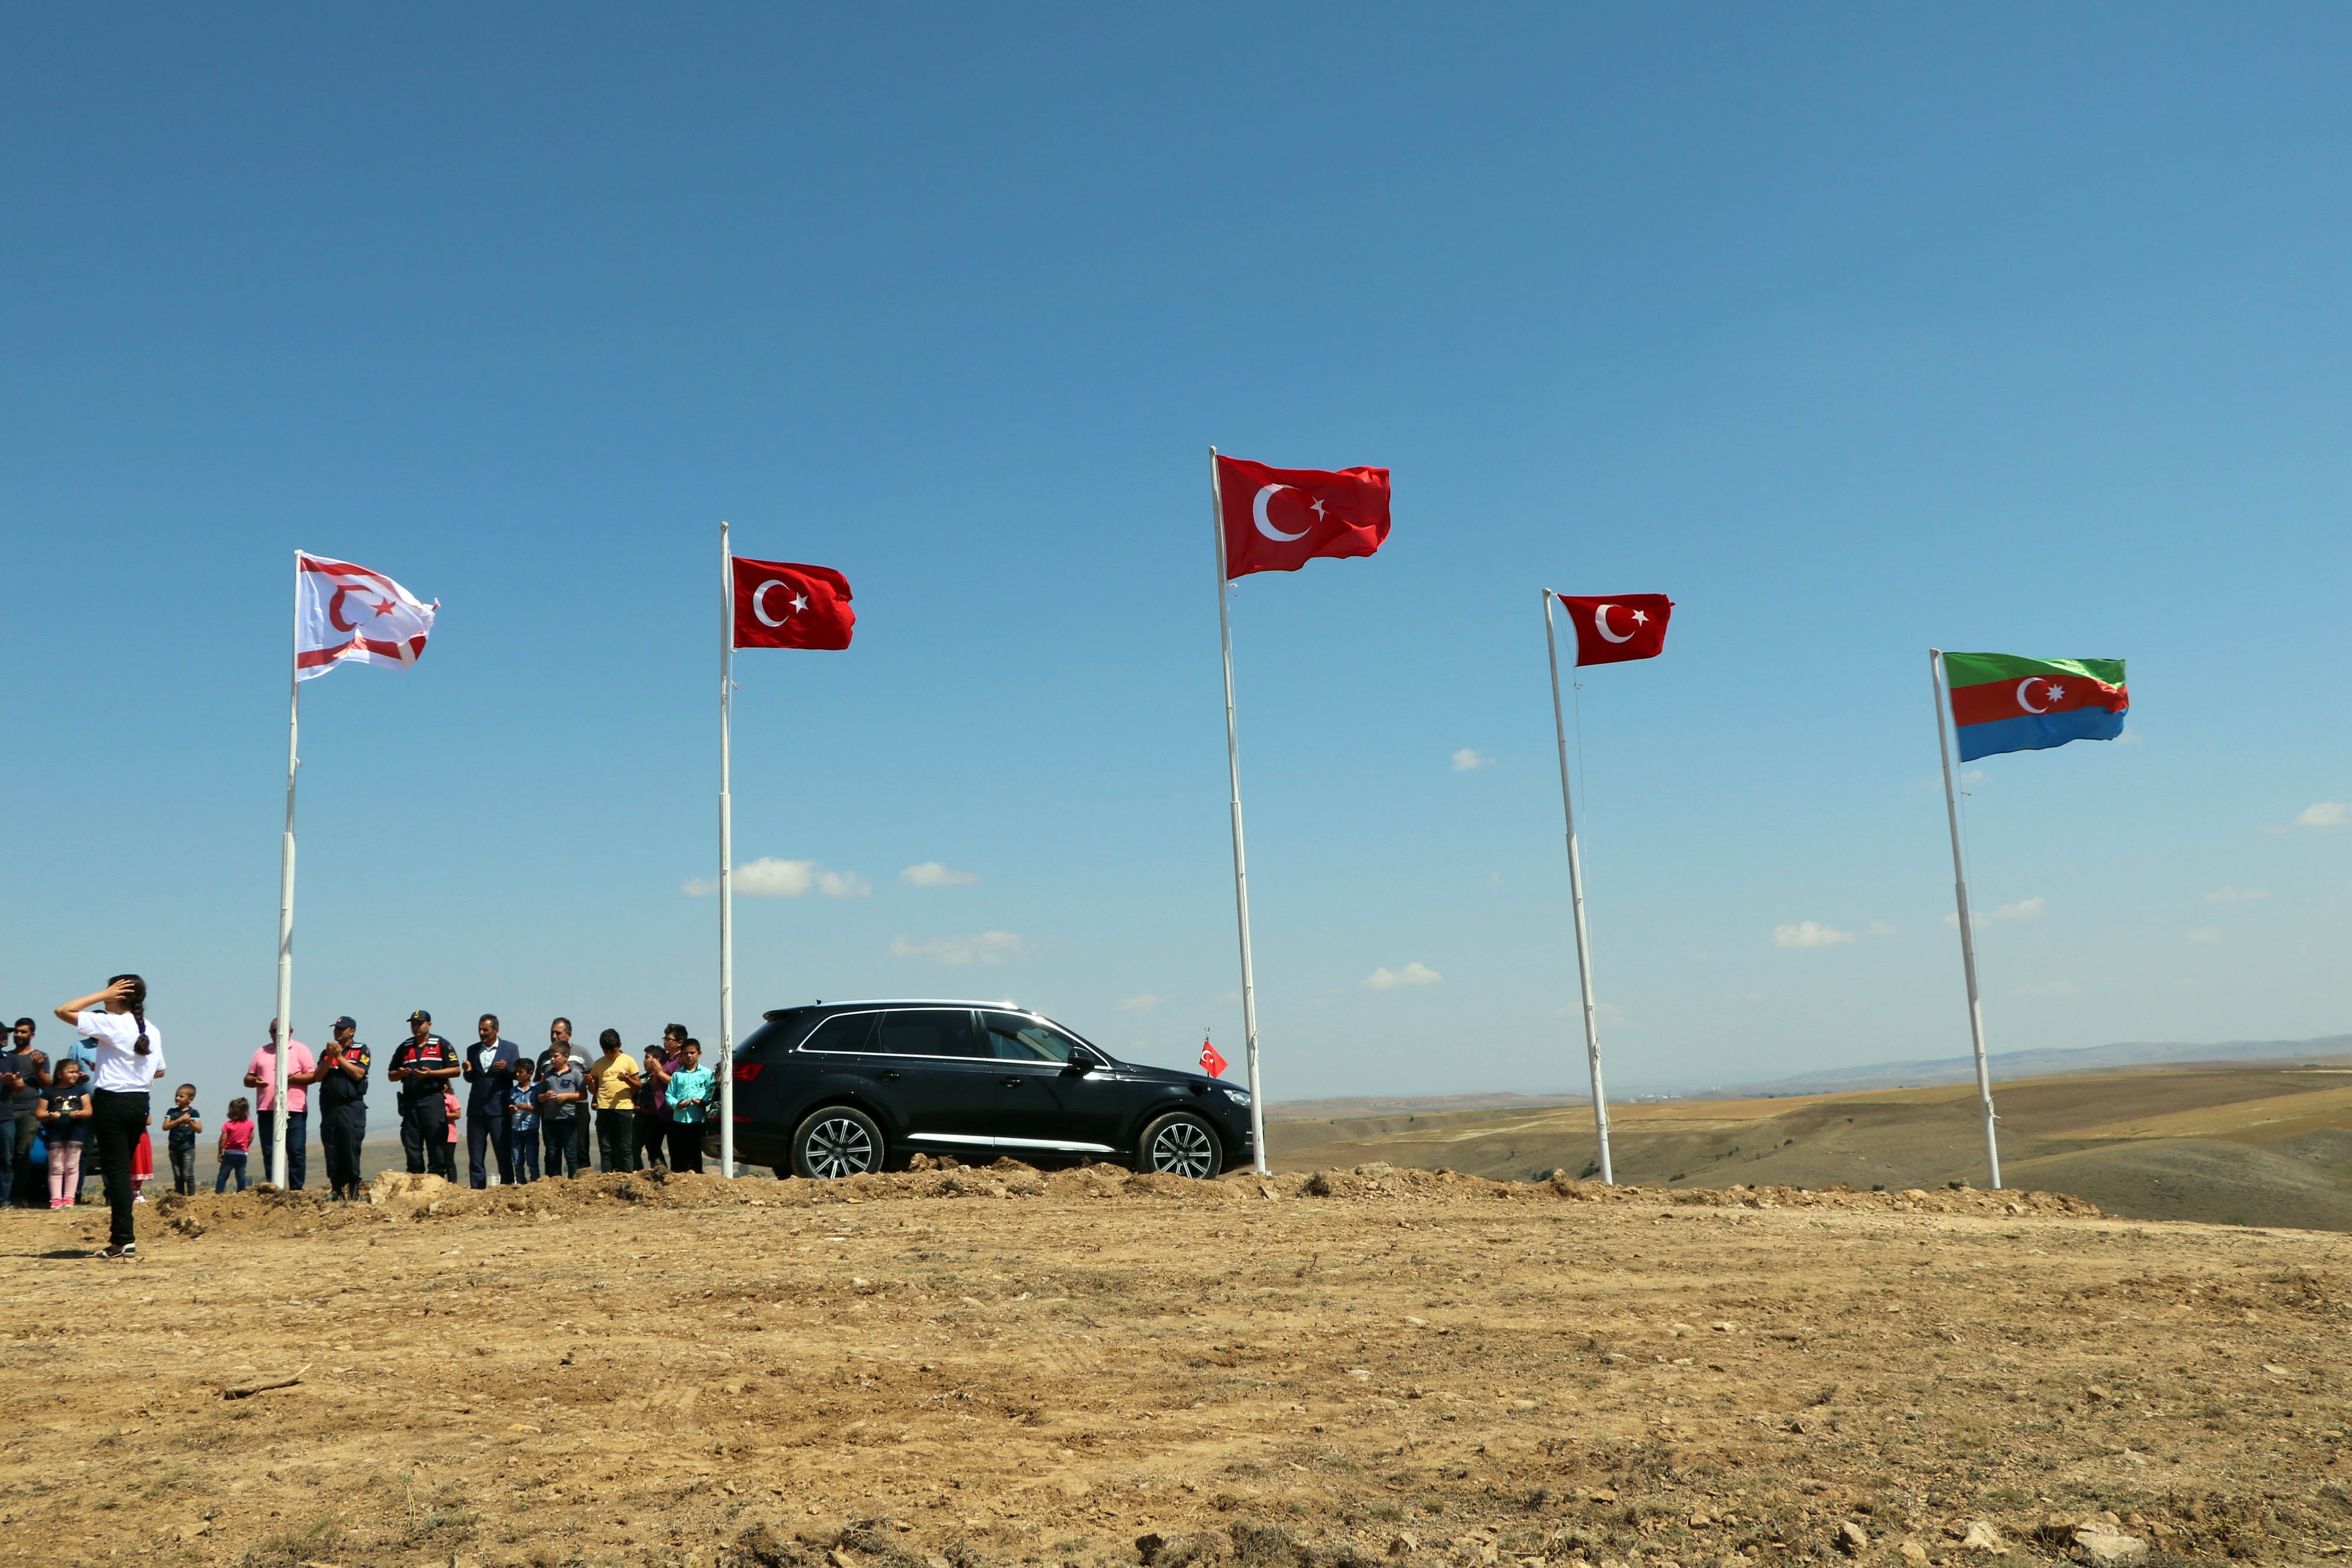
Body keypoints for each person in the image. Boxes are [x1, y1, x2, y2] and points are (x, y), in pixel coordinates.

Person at [53, 976, 165, 1259]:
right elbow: (160, 1071)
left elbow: (63, 1010)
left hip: (113, 1102)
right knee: (121, 1171)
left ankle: (123, 1241)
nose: (105, 997)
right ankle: (123, 1238)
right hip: (139, 1102)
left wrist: (101, 993)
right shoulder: (151, 1029)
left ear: (120, 994)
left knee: (115, 1173)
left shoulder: (112, 1024)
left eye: (111, 991)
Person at [245, 1019, 321, 1190]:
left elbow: (313, 1076)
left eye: (280, 1030)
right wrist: (256, 1081)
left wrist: (293, 1079)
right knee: (269, 1152)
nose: (276, 1034)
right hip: (267, 1109)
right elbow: (248, 1078)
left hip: (294, 1109)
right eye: (273, 1031)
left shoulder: (301, 1050)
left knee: (296, 1150)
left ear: (291, 1031)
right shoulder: (261, 1052)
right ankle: (274, 1187)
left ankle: (296, 1188)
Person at [386, 1010, 459, 1180]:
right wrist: (400, 1074)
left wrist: (432, 1074)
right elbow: (391, 1075)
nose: (416, 1027)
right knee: (411, 1140)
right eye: (413, 1024)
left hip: (432, 1099)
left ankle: (436, 1176)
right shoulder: (405, 1047)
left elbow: (456, 1070)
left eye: (420, 1023)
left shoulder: (441, 1044)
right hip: (410, 1101)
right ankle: (415, 1175)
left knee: (435, 1139)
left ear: (429, 1025)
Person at [315, 1017, 371, 1201]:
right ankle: (336, 1189)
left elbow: (358, 1073)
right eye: (336, 1029)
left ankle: (354, 1189)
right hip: (330, 1107)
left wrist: (339, 1058)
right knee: (331, 1148)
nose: (337, 1032)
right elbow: (318, 1076)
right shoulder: (326, 1052)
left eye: (341, 1029)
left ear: (352, 1031)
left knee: (350, 1147)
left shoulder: (361, 1050)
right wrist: (330, 1057)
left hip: (351, 1107)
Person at [462, 1013, 519, 1188]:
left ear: (496, 1030)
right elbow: (472, 1078)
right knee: (476, 1154)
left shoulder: (510, 1048)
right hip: (477, 1110)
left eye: (485, 1030)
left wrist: (507, 1068)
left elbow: (518, 1074)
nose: (481, 1033)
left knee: (503, 1152)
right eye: (479, 1029)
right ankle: (477, 1188)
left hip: (499, 1109)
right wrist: (468, 1071)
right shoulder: (472, 1050)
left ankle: (507, 1186)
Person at [0, 1020, 48, 1210]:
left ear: (32, 1035)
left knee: (21, 1154)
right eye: (16, 1032)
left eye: (23, 1032)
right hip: (8, 1111)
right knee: (8, 1155)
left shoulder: (39, 1057)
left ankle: (17, 1197)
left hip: (29, 1110)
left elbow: (46, 1085)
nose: (17, 1035)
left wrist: (38, 1068)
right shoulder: (9, 1057)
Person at [535, 1018, 591, 1179]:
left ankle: (579, 1181)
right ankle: (554, 1181)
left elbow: (591, 1078)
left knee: (577, 1148)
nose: (554, 1036)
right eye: (552, 1032)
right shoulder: (544, 1057)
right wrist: (544, 1096)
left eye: (558, 1033)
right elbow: (538, 1083)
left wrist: (569, 1096)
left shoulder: (582, 1053)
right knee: (552, 1151)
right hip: (551, 1113)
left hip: (575, 1110)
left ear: (569, 1034)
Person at [36, 1059, 92, 1208]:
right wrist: (49, 1116)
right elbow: (39, 1113)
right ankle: (55, 1199)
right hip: (55, 1134)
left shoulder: (81, 1091)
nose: (75, 1075)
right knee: (56, 1168)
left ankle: (69, 1198)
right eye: (71, 1072)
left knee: (72, 1167)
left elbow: (89, 1110)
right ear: (60, 1074)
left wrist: (80, 1113)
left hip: (75, 1134)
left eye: (76, 1072)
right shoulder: (49, 1092)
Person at [585, 1029, 641, 1173]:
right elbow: (594, 1090)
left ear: (620, 1045)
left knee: (625, 1146)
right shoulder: (598, 1064)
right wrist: (590, 1082)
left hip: (624, 1108)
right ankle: (607, 1177)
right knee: (606, 1147)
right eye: (606, 1051)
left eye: (613, 1051)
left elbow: (638, 1086)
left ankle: (627, 1175)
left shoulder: (628, 1061)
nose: (610, 1055)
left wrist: (627, 1080)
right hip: (604, 1108)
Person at [636, 1023, 685, 1171]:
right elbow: (653, 1084)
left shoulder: (681, 1061)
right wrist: (657, 1073)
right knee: (652, 1145)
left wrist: (660, 1073)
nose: (666, 1042)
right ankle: (660, 1171)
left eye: (669, 1039)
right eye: (665, 1039)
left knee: (675, 1147)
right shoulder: (664, 1061)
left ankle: (677, 1174)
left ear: (680, 1042)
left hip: (672, 1111)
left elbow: (677, 1083)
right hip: (658, 1110)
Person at [664, 1038, 713, 1174]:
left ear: (699, 1054)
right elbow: (669, 1095)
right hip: (679, 1119)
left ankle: (696, 1175)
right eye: (686, 1053)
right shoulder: (677, 1075)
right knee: (678, 1150)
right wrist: (676, 1105)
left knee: (695, 1149)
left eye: (692, 1053)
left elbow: (711, 1092)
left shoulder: (707, 1074)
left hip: (697, 1118)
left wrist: (704, 1102)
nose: (689, 1056)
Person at [161, 1084, 202, 1195]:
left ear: (190, 1099)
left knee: (187, 1174)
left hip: (188, 1147)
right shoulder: (171, 1112)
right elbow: (165, 1127)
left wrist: (189, 1122)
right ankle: (180, 1196)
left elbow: (199, 1129)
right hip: (174, 1148)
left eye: (181, 1096)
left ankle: (192, 1196)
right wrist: (180, 1120)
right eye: (176, 1096)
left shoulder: (193, 1113)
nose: (177, 1098)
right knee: (178, 1175)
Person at [506, 1058, 540, 1183]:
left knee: (532, 1160)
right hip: (516, 1129)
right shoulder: (513, 1091)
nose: (518, 1075)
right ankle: (520, 1184)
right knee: (517, 1161)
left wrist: (529, 1108)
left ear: (530, 1073)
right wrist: (512, 1109)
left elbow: (541, 1109)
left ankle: (536, 1184)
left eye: (521, 1072)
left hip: (531, 1129)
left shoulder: (537, 1089)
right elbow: (509, 1108)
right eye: (517, 1072)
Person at [216, 1098, 255, 1193]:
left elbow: (223, 1139)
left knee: (223, 1175)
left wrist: (220, 1152)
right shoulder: (250, 1124)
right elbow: (251, 1137)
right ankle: (241, 1193)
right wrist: (246, 1146)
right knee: (241, 1175)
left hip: (229, 1154)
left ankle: (219, 1192)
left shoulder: (228, 1125)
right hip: (242, 1154)